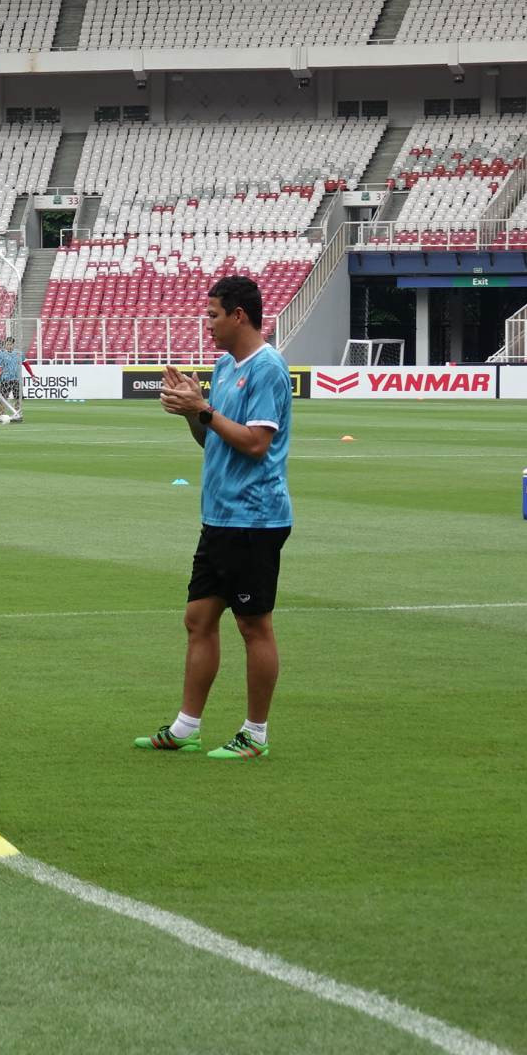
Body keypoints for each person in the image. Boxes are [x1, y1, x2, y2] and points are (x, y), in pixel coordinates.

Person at [138, 276, 293, 761]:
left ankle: (256, 733)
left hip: (256, 517)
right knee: (198, 618)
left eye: (212, 315)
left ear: (239, 315)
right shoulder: (225, 366)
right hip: (221, 515)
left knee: (253, 626)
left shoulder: (267, 368)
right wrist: (191, 412)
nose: (207, 324)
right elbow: (214, 439)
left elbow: (254, 442)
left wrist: (203, 409)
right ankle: (187, 727)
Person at [0, 336, 24, 409]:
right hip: (5, 380)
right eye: (7, 344)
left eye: (10, 344)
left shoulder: (19, 353)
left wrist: (32, 375)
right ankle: (2, 413)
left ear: (13, 344)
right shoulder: (2, 355)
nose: (9, 346)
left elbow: (25, 363)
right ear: (5, 345)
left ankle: (16, 413)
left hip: (16, 379)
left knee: (18, 399)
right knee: (3, 398)